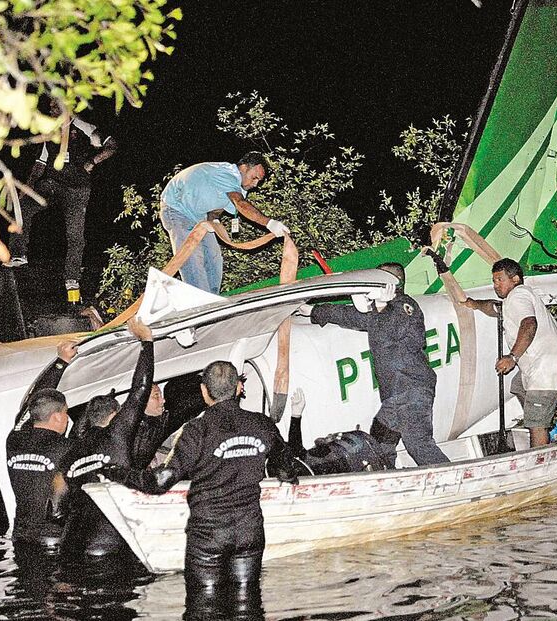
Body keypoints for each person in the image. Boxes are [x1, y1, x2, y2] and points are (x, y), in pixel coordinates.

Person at [103, 360, 298, 619]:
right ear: (239, 388)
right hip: (249, 532)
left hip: (208, 536)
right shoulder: (262, 424)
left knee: (202, 607)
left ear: (205, 392)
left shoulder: (197, 430)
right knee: (248, 605)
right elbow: (286, 470)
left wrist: (116, 473)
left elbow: (161, 481)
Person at [308, 263, 450, 467]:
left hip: (410, 390)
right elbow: (351, 316)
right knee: (378, 447)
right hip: (396, 395)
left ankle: (456, 481)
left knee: (418, 444)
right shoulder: (380, 310)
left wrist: (382, 307)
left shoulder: (404, 306)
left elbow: (393, 330)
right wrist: (314, 311)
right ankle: (388, 478)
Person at [59, 317, 154, 557]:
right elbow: (140, 390)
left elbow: (56, 510)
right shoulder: (116, 434)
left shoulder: (69, 455)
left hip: (71, 548)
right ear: (115, 416)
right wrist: (147, 341)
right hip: (110, 546)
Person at [7, 100, 117, 305]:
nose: (51, 110)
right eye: (50, 107)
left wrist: (92, 162)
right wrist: (27, 188)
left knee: (75, 234)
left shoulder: (83, 127)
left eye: (55, 106)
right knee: (22, 207)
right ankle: (18, 254)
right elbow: (40, 163)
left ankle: (72, 277)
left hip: (76, 188)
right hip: (51, 185)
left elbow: (111, 146)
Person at [461, 258, 557, 447]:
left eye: (500, 280)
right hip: (544, 360)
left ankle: (540, 460)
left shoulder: (518, 295)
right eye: (494, 281)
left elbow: (529, 324)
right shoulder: (517, 298)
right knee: (518, 386)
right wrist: (474, 304)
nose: (496, 285)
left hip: (546, 363)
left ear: (515, 279)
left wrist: (512, 357)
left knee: (535, 423)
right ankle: (543, 424)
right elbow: (494, 307)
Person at [159, 152, 290, 294]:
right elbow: (240, 204)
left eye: (259, 181)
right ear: (244, 167)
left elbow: (217, 208)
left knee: (214, 257)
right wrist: (269, 223)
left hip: (199, 217)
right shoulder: (227, 174)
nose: (255, 184)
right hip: (176, 208)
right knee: (192, 256)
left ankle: (213, 297)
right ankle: (200, 302)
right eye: (254, 178)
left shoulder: (238, 187)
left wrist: (213, 221)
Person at [6, 340, 78, 547]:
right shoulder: (68, 448)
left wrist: (61, 362)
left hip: (21, 537)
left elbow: (32, 403)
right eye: (65, 413)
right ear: (56, 417)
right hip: (55, 540)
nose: (67, 418)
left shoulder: (14, 439)